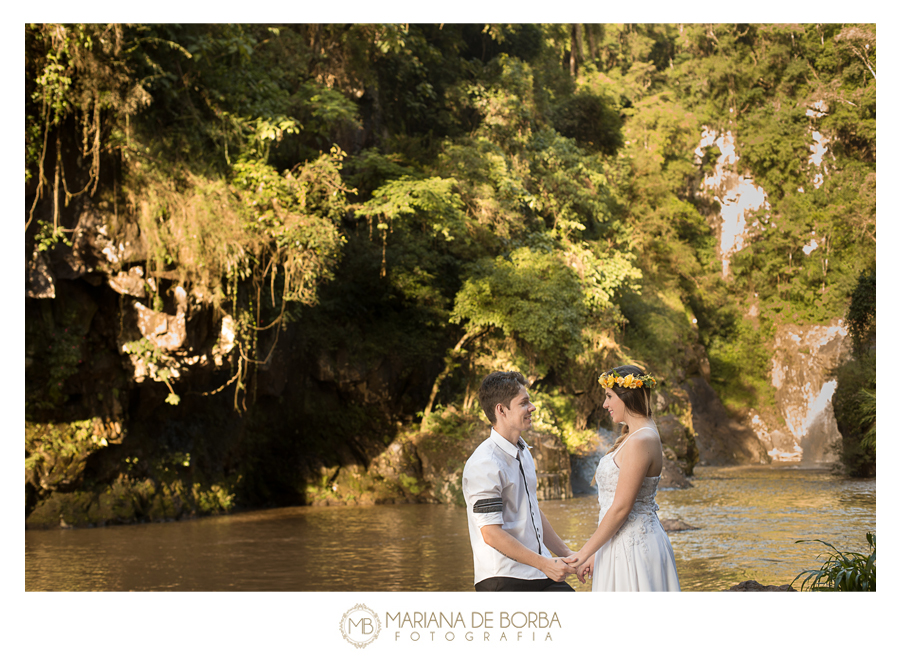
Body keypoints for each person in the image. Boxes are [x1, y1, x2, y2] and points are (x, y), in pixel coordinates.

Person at [563, 365, 681, 591]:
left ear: (627, 396)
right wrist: (597, 554)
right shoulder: (636, 436)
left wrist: (582, 554)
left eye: (609, 396)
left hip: (634, 549)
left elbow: (621, 508)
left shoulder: (641, 439)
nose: (605, 404)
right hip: (617, 545)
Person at [462, 371, 580, 591]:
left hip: (539, 572)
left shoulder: (523, 451)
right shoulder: (484, 463)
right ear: (501, 410)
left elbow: (532, 511)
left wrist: (567, 554)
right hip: (504, 579)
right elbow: (491, 533)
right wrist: (545, 564)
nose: (532, 407)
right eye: (524, 403)